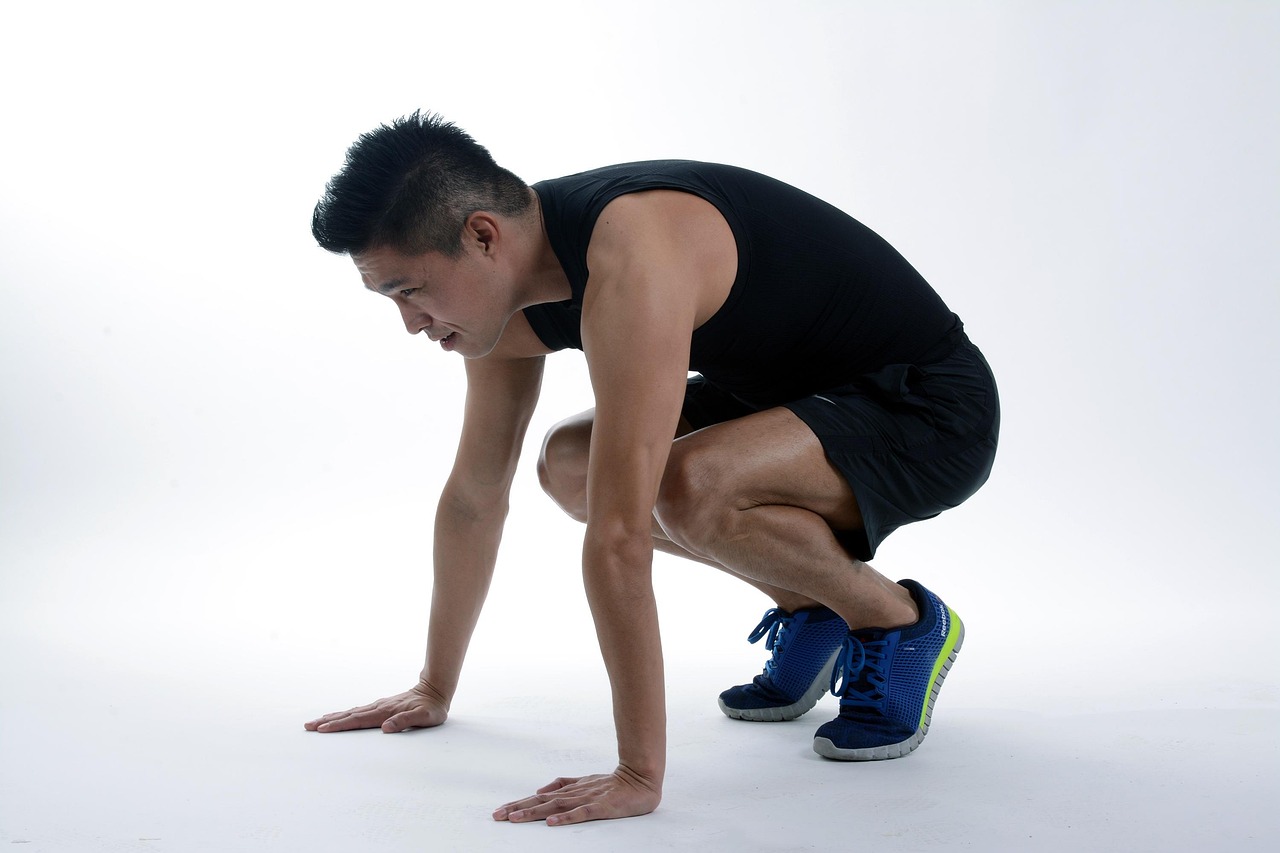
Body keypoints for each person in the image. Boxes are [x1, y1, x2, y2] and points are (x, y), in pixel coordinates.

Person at [303, 112, 999, 827]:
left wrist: (638, 772)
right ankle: (810, 607)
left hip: (927, 406)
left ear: (483, 235)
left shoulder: (634, 254)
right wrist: (433, 686)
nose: (411, 322)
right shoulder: (514, 284)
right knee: (569, 463)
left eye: (409, 289)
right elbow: (477, 494)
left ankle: (899, 620)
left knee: (681, 481)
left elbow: (621, 535)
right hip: (786, 399)